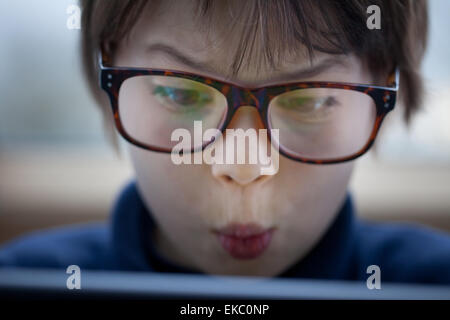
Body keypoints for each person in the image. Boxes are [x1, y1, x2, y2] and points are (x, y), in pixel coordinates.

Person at [1, 0, 449, 284]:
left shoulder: (431, 282)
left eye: (309, 101)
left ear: (386, 95)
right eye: (180, 94)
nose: (244, 168)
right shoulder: (23, 280)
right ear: (108, 77)